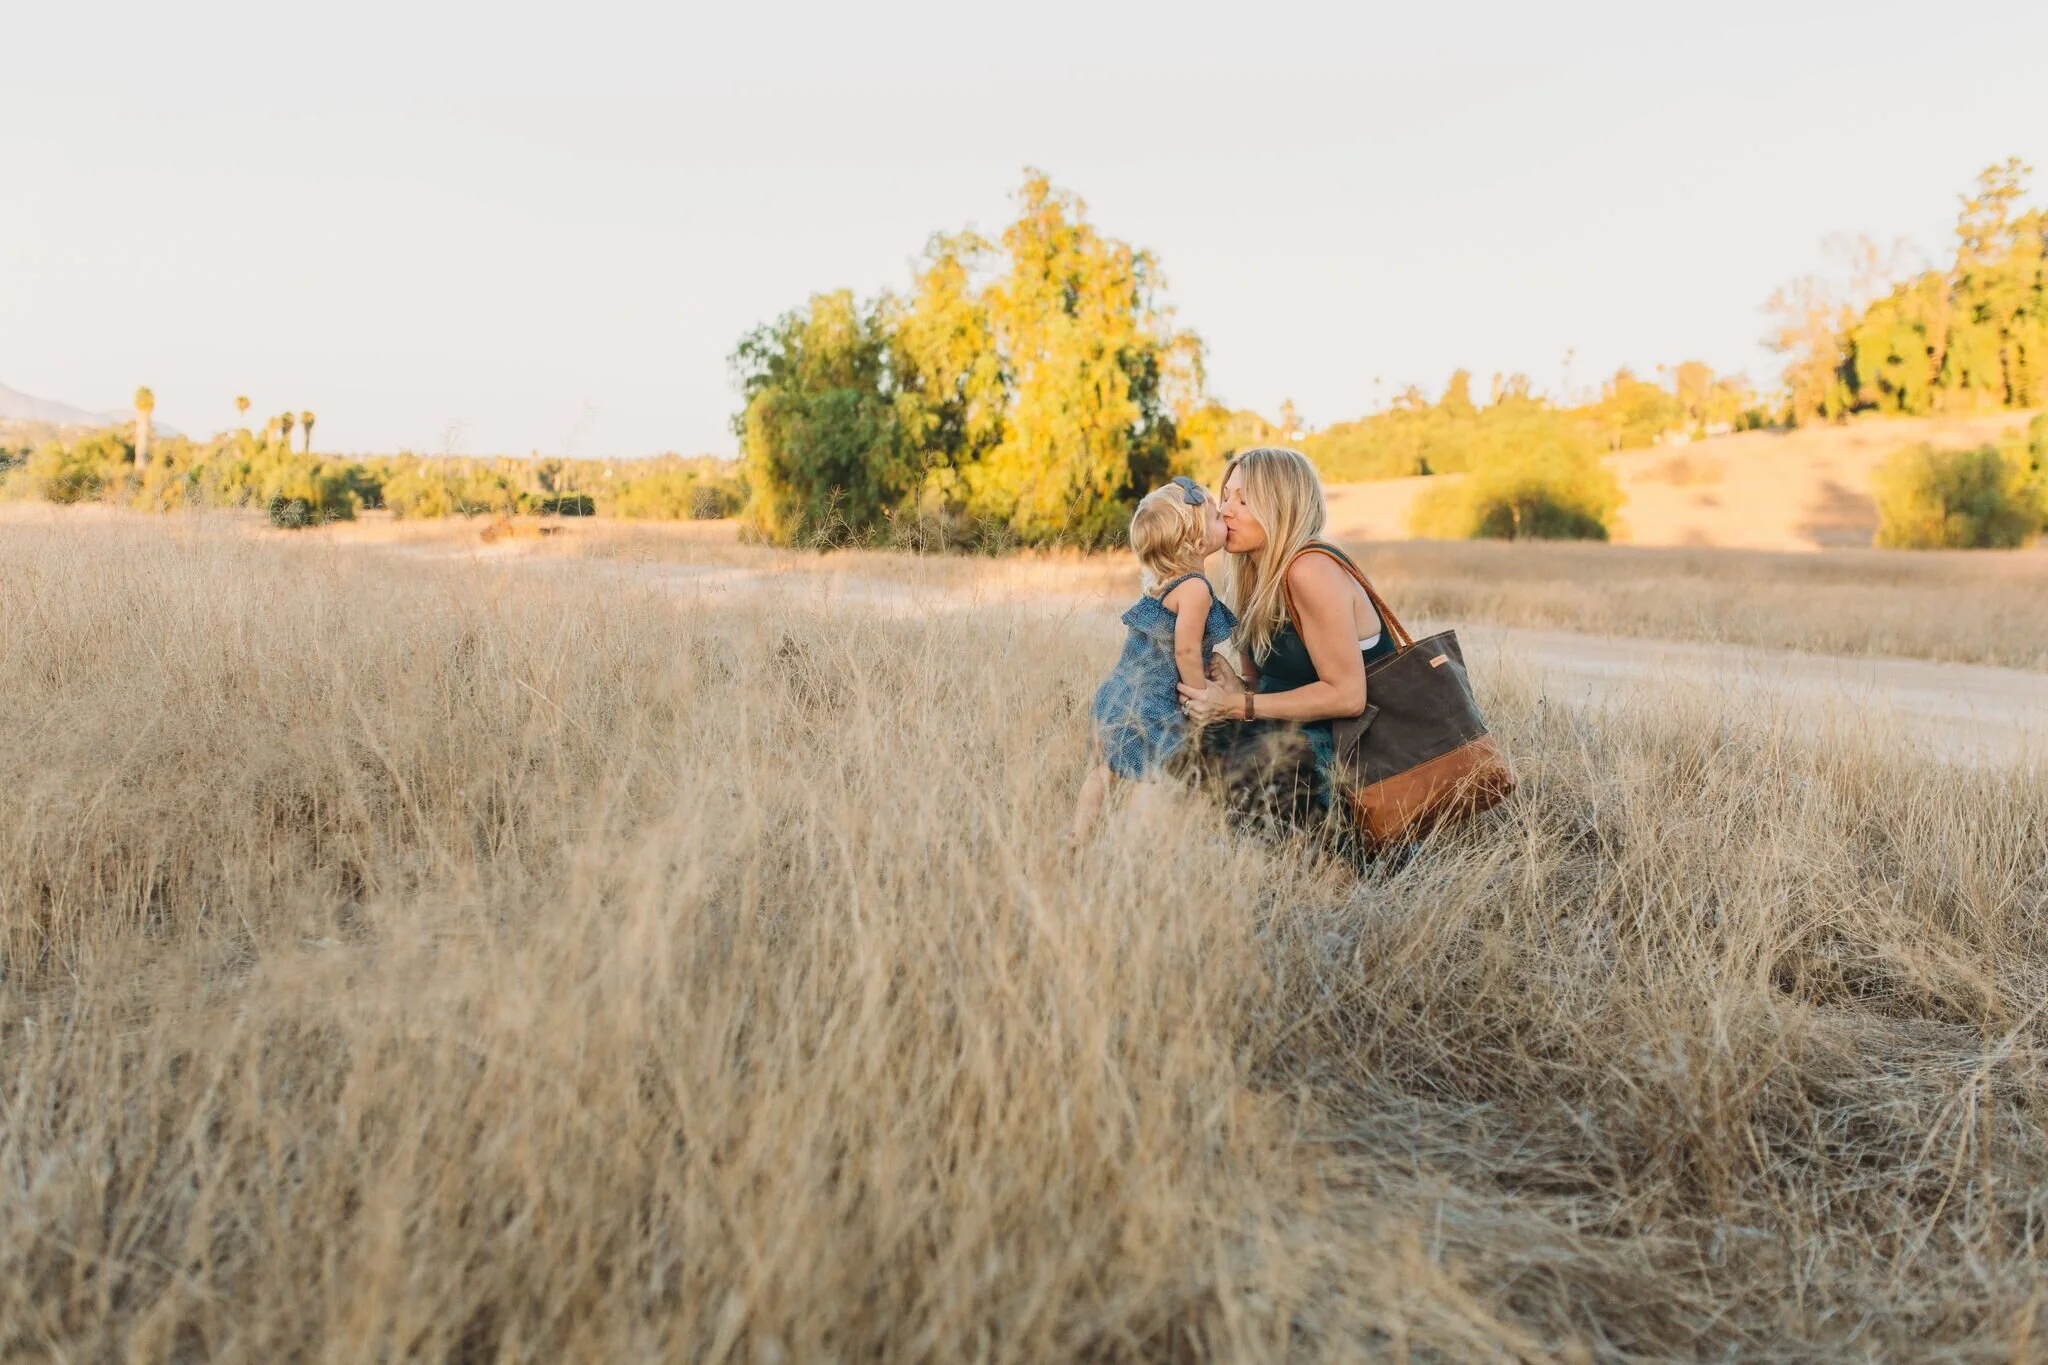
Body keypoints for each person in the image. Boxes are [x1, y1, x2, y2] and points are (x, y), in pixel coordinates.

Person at [1176, 447, 1391, 822]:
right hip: (1293, 732)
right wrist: (1239, 689)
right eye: (1225, 496)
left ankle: (1340, 846)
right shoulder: (1251, 577)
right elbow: (1270, 689)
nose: (1225, 510)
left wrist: (1236, 705)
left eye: (1243, 500)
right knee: (1173, 741)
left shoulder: (1310, 568)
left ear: (1280, 506)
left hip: (1353, 750)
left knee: (1246, 770)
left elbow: (1348, 697)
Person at [1070, 476, 1235, 842]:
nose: (1224, 516)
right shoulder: (1195, 588)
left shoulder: (1162, 581)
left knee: (1104, 770)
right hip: (1152, 705)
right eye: (1215, 517)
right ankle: (1131, 846)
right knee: (1150, 774)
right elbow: (1186, 650)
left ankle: (1077, 835)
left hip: (1116, 694)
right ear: (1197, 542)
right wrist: (1198, 695)